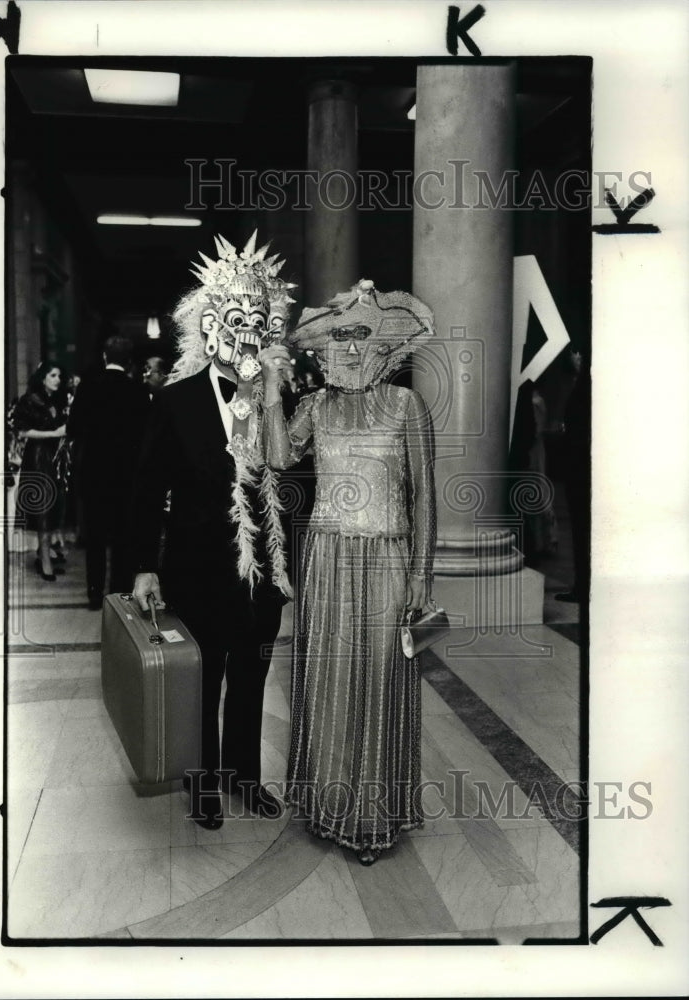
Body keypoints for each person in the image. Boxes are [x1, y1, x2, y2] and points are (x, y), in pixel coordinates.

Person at [261, 280, 438, 866]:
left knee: (381, 678)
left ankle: (373, 813)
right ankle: (329, 805)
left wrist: (421, 571)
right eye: (340, 337)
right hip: (327, 560)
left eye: (362, 335)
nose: (351, 347)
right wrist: (268, 388)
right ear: (326, 349)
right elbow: (279, 457)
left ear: (383, 343)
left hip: (388, 556)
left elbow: (426, 493)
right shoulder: (316, 406)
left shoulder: (407, 406)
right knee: (330, 682)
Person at [130, 231, 296, 831]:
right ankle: (202, 785)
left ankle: (244, 778)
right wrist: (145, 564)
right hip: (198, 565)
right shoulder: (174, 403)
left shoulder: (282, 398)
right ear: (209, 327)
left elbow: (295, 482)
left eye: (259, 319)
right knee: (204, 678)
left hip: (265, 570)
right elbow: (146, 491)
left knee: (252, 674)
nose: (247, 331)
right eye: (235, 318)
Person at [68, 336, 150, 610]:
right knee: (121, 537)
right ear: (128, 361)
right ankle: (117, 591)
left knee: (95, 537)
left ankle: (93, 591)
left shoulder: (89, 387)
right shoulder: (136, 390)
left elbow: (74, 428)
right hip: (126, 475)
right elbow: (145, 435)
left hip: (94, 473)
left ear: (105, 356)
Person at [13, 361, 68, 581]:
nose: (58, 380)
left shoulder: (55, 399)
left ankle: (44, 553)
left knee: (54, 506)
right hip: (38, 458)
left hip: (54, 458)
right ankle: (45, 558)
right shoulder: (30, 400)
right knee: (43, 508)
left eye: (59, 376)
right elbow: (23, 432)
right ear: (43, 377)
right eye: (53, 375)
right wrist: (54, 434)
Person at [556, 346, 590, 603]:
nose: (574, 356)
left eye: (577, 353)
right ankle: (583, 586)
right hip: (581, 469)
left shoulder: (587, 388)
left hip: (582, 471)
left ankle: (583, 588)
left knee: (583, 531)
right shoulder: (583, 386)